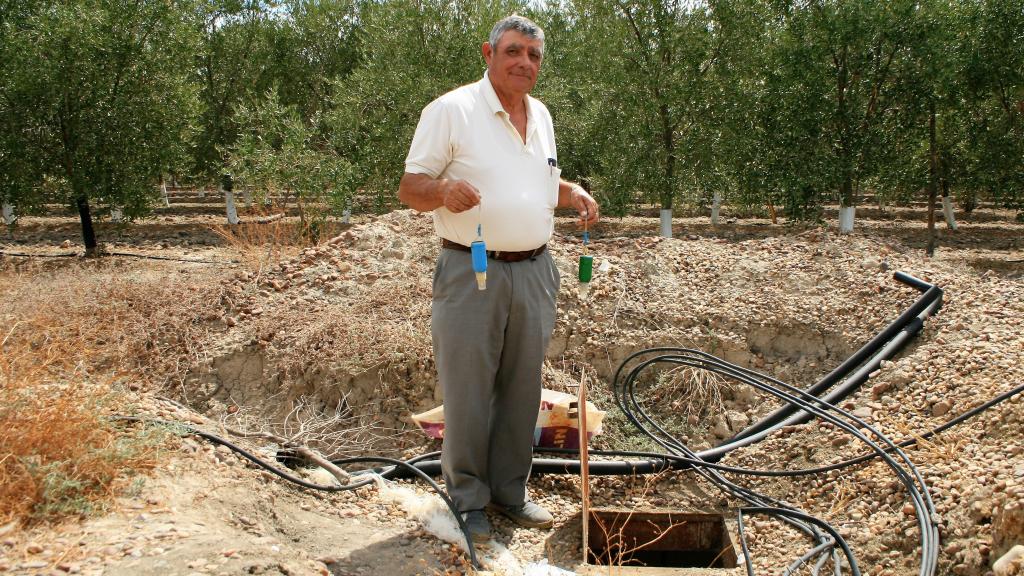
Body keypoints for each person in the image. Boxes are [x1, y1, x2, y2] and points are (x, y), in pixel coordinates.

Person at [398, 15, 599, 542]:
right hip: (471, 271)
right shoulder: (453, 110)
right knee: (467, 390)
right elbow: (409, 187)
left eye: (533, 56)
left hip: (535, 270)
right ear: (488, 53)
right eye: (513, 52)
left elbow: (541, 181)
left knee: (521, 389)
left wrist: (572, 191)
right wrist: (442, 192)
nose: (523, 63)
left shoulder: (543, 115)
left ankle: (510, 492)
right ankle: (468, 500)